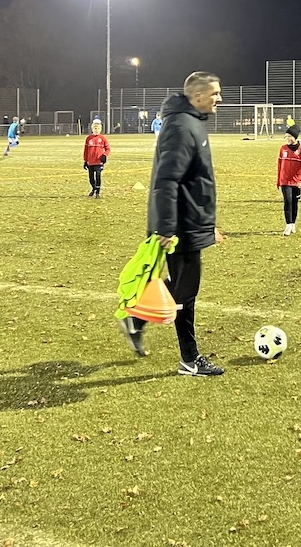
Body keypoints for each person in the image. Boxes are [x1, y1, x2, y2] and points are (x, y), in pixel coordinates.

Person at [120, 71, 224, 376]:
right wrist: (166, 227)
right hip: (180, 227)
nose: (219, 98)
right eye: (215, 93)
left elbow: (195, 181)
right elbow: (166, 181)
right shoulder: (181, 126)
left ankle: (137, 320)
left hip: (190, 222)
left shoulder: (192, 122)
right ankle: (189, 358)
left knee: (183, 289)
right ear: (198, 96)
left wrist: (207, 225)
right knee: (185, 291)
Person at [277, 124, 301, 235]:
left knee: (295, 202)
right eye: (286, 136)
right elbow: (280, 165)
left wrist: (300, 180)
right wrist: (278, 180)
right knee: (288, 201)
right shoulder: (283, 148)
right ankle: (288, 224)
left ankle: (293, 223)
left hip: (296, 182)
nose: (287, 139)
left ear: (295, 137)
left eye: (289, 136)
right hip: (285, 181)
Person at [83, 119, 111, 197]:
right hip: (90, 161)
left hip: (99, 161)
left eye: (98, 128)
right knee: (91, 178)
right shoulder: (88, 138)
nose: (96, 130)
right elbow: (86, 150)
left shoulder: (103, 138)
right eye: (95, 128)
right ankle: (93, 188)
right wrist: (85, 160)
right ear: (92, 129)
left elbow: (108, 149)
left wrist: (104, 155)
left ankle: (98, 192)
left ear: (100, 129)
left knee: (98, 176)